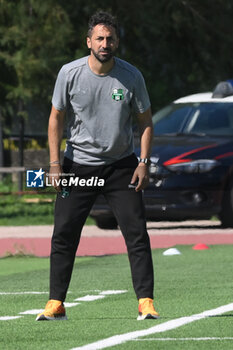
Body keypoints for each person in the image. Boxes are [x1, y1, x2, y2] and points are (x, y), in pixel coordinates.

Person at [36, 11, 159, 321]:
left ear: (117, 42)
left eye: (110, 38)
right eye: (100, 38)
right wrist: (54, 163)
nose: (106, 43)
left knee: (136, 234)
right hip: (78, 166)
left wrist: (143, 162)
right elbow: (55, 118)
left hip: (121, 167)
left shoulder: (131, 76)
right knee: (64, 233)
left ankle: (146, 302)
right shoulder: (69, 73)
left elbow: (145, 122)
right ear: (88, 41)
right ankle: (56, 303)